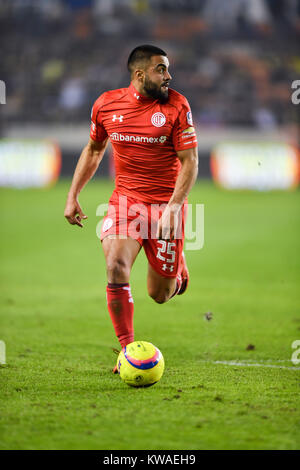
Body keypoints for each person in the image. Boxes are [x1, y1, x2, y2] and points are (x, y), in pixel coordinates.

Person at [64, 45, 198, 371]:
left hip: (166, 207)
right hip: (126, 203)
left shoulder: (177, 106)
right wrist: (72, 195)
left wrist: (173, 208)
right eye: (161, 69)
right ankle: (127, 351)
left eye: (167, 69)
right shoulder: (106, 104)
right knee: (115, 267)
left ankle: (176, 268)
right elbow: (94, 150)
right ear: (139, 75)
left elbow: (190, 161)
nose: (169, 76)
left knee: (160, 294)